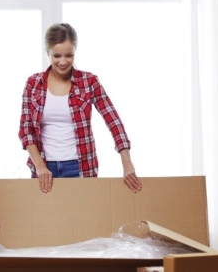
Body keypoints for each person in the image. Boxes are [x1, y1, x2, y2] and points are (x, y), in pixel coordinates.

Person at [18, 23, 143, 194]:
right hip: (44, 169)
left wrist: (127, 162)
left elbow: (113, 121)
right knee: (46, 219)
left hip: (81, 167)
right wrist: (40, 166)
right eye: (56, 56)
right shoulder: (33, 84)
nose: (63, 62)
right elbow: (26, 130)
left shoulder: (89, 82)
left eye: (69, 55)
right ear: (47, 52)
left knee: (85, 219)